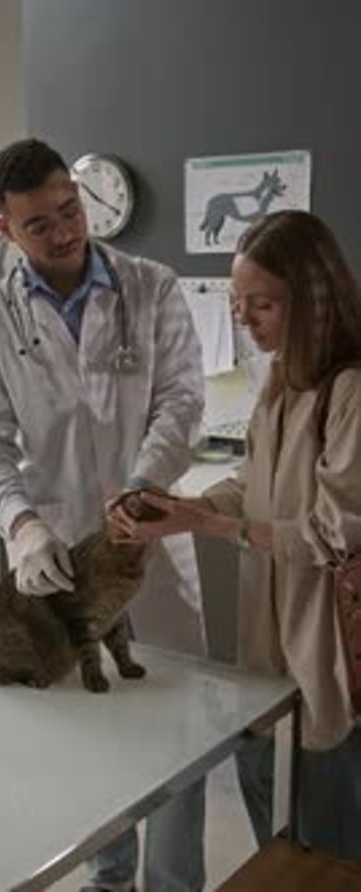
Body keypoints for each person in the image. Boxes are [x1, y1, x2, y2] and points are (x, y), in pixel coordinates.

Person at [0, 138, 207, 892]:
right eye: (40, 224)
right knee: (87, 730)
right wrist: (22, 526)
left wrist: (140, 484)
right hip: (53, 554)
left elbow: (184, 401)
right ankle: (109, 875)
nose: (65, 231)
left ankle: (171, 882)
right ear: (4, 230)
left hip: (147, 542)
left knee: (175, 726)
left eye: (71, 210)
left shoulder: (151, 288)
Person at [117, 209, 361, 862]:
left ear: (313, 300)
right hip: (267, 646)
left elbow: (334, 534)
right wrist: (180, 506)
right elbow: (252, 487)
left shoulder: (350, 391)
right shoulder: (281, 381)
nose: (245, 321)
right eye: (237, 303)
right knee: (270, 802)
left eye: (263, 304)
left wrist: (216, 523)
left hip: (326, 650)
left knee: (326, 846)